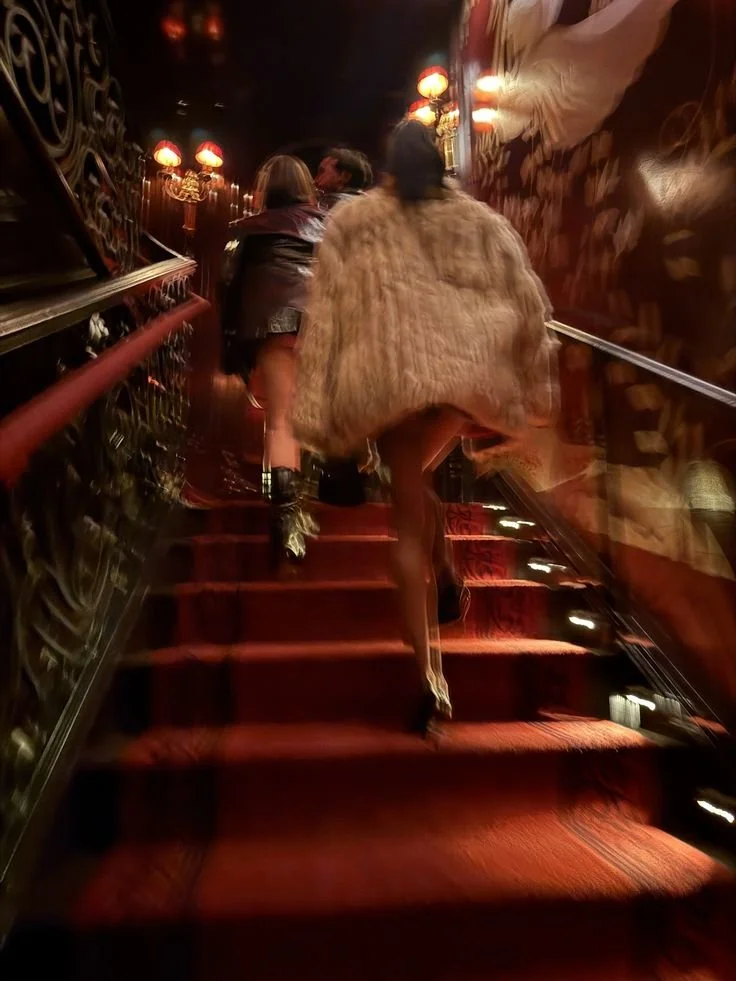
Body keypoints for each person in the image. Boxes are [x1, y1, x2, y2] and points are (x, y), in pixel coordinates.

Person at [292, 120, 559, 735]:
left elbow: (326, 316)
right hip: (461, 386)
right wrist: (533, 395)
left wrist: (314, 413)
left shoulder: (354, 222)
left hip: (392, 384)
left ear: (387, 167)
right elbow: (529, 306)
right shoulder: (481, 221)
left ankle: (431, 679)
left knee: (404, 521)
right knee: (413, 487)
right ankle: (441, 566)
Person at [220, 154, 325, 573]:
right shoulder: (330, 226)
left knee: (280, 421)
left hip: (273, 327)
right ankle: (310, 500)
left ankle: (288, 527)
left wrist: (232, 348)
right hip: (322, 328)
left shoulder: (246, 230)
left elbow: (229, 287)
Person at [315, 146, 372, 212]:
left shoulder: (328, 210)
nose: (315, 180)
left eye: (322, 172)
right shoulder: (369, 208)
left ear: (345, 176)